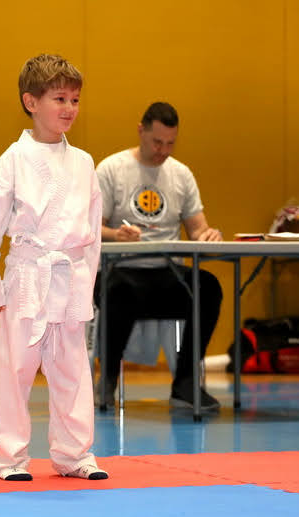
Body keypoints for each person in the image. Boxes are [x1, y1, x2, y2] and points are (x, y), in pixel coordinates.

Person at [0, 54, 108, 481]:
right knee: (15, 371)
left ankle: (74, 454)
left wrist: (88, 285)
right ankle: (9, 458)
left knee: (72, 370)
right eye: (59, 99)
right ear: (31, 102)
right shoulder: (12, 159)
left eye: (75, 100)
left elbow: (92, 234)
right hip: (28, 278)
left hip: (70, 276)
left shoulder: (83, 162)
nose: (69, 108)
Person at [95, 102, 224, 412]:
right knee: (118, 291)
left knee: (208, 288)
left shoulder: (181, 174)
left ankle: (185, 383)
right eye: (157, 142)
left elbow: (197, 228)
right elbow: (91, 228)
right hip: (121, 269)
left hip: (168, 273)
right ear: (141, 131)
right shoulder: (111, 169)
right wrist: (115, 234)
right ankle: (107, 380)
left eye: (170, 144)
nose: (163, 151)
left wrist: (208, 234)